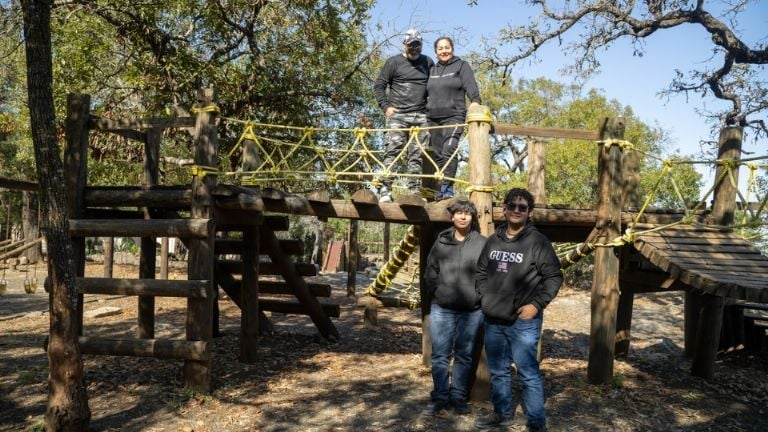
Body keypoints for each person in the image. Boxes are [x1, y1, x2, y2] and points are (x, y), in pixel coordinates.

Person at [474, 188, 563, 432]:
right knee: (498, 371)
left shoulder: (538, 242)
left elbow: (554, 277)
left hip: (523, 321)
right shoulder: (493, 240)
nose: (516, 210)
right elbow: (481, 271)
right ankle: (502, 414)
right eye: (512, 206)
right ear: (504, 209)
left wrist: (536, 305)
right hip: (493, 318)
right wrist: (485, 297)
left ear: (529, 212)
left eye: (522, 207)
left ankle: (536, 423)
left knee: (527, 372)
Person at [423, 198, 487, 416]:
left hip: (472, 310)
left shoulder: (482, 243)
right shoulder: (441, 241)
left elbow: (488, 274)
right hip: (443, 307)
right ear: (452, 217)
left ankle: (458, 397)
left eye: (467, 213)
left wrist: (479, 297)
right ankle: (440, 397)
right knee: (440, 355)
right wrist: (437, 292)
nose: (463, 217)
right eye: (459, 213)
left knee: (464, 355)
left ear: (472, 217)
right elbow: (430, 271)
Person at [373, 29, 434, 203]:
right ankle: (385, 190)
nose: (415, 48)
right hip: (398, 114)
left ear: (421, 45)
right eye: (411, 45)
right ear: (404, 45)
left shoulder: (428, 62)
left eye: (417, 45)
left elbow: (435, 86)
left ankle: (413, 191)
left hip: (420, 115)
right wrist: (385, 107)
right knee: (392, 151)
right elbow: (379, 85)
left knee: (417, 154)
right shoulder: (393, 62)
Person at [426, 36, 482, 200]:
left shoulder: (461, 66)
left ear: (452, 49)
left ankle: (447, 188)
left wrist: (475, 101)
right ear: (436, 52)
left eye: (447, 47)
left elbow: (470, 85)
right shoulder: (431, 70)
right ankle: (441, 188)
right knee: (438, 154)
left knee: (449, 149)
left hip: (454, 115)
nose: (444, 51)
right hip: (433, 118)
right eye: (440, 48)